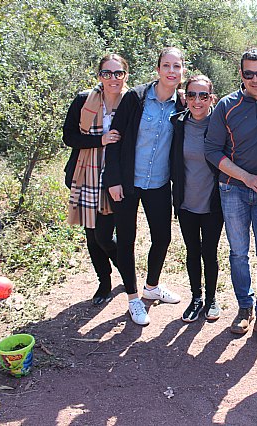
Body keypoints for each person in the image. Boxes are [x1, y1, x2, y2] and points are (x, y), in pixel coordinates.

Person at [204, 48, 257, 346]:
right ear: (241, 74)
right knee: (238, 253)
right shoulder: (226, 105)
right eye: (249, 73)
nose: (255, 79)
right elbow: (212, 151)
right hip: (233, 189)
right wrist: (245, 178)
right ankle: (244, 308)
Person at [104, 47, 186, 326]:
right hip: (128, 183)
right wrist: (113, 180)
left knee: (162, 237)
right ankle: (132, 298)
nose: (171, 71)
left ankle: (152, 287)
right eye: (167, 66)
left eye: (177, 66)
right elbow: (114, 140)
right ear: (158, 69)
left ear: (182, 71)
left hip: (160, 183)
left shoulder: (183, 104)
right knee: (126, 240)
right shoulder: (135, 98)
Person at [63, 53, 128, 306]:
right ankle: (104, 282)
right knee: (92, 236)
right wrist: (99, 140)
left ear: (125, 75)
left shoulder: (131, 102)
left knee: (104, 235)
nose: (113, 78)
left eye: (118, 73)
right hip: (85, 174)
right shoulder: (84, 100)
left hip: (115, 179)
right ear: (99, 76)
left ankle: (126, 272)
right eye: (107, 73)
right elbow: (69, 137)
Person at [171, 75, 224, 323]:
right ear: (185, 97)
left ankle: (212, 299)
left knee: (209, 252)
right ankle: (196, 298)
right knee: (192, 252)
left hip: (213, 203)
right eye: (192, 95)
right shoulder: (178, 124)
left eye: (203, 95)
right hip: (185, 202)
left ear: (211, 98)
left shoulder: (220, 123)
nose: (197, 101)